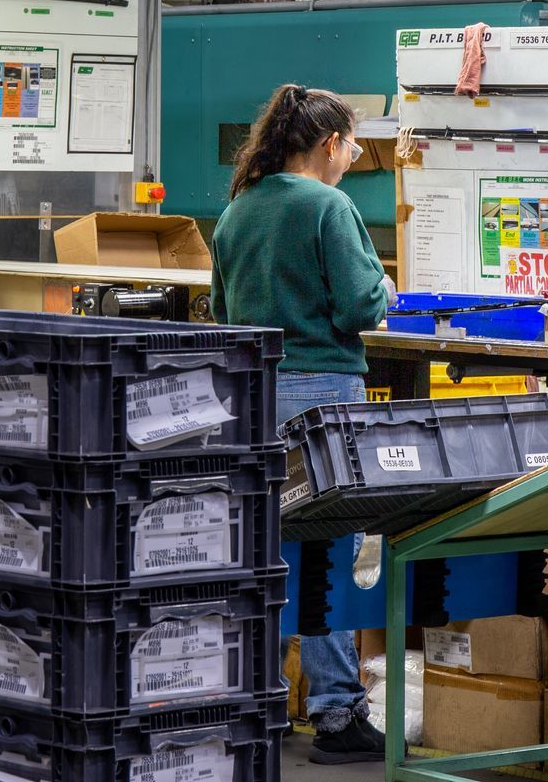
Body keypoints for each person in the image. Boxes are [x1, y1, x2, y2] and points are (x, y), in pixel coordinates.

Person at [210, 84, 395, 765]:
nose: (351, 157)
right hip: (322, 395)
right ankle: (338, 713)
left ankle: (257, 702)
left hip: (253, 395)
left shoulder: (238, 212)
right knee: (326, 557)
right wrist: (387, 291)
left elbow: (220, 307)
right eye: (350, 144)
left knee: (262, 554)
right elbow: (360, 307)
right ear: (327, 146)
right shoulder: (329, 206)